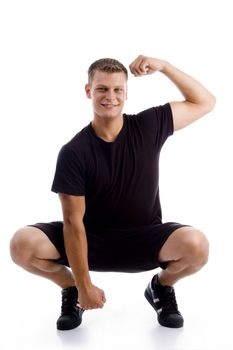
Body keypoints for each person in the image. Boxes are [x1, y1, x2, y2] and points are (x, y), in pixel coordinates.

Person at [10, 55, 216, 330]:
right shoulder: (74, 152)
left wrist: (164, 66)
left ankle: (161, 288)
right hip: (90, 241)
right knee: (22, 244)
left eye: (118, 89)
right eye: (102, 89)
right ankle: (70, 290)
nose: (111, 96)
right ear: (88, 91)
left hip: (144, 238)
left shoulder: (149, 125)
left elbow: (205, 102)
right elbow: (73, 223)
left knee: (197, 245)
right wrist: (84, 286)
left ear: (126, 93)